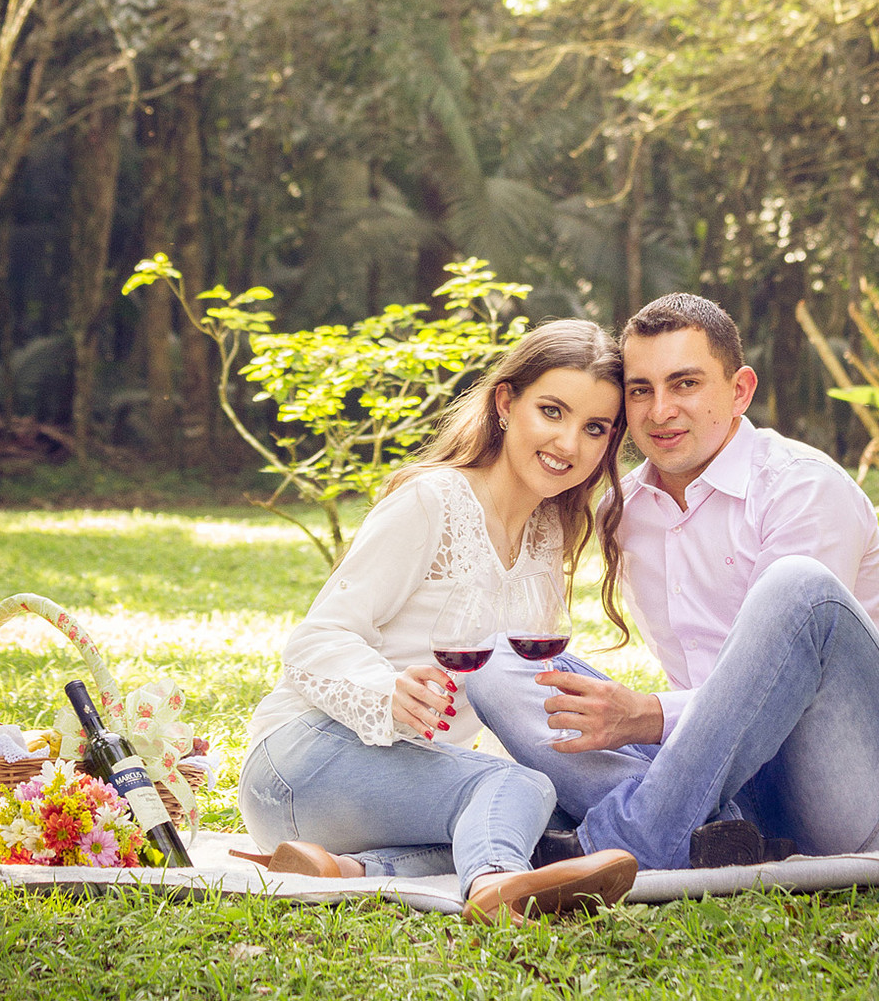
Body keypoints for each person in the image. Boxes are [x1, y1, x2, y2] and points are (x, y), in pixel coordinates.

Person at [466, 293, 879, 873]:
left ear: (740, 390)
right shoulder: (623, 509)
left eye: (685, 383)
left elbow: (781, 686)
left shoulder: (803, 487)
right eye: (641, 389)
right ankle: (707, 832)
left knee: (797, 587)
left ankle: (618, 841)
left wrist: (645, 716)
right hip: (722, 788)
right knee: (494, 661)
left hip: (864, 796)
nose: (660, 410)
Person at [238, 319, 640, 923]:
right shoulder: (433, 501)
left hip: (376, 792)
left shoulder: (546, 536)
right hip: (303, 760)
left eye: (594, 428)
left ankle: (344, 871)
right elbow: (314, 639)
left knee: (545, 814)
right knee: (518, 791)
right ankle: (494, 888)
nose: (569, 444)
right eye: (551, 411)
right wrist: (386, 690)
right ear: (506, 403)